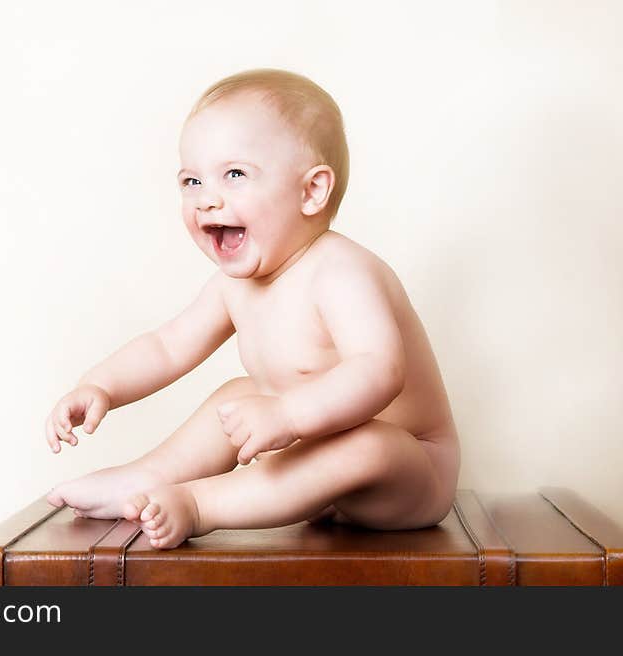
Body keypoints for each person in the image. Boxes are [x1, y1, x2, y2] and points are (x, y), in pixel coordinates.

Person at [44, 68, 460, 549]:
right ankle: (144, 477)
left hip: (408, 472)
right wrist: (100, 385)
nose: (206, 199)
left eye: (235, 174)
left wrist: (287, 414)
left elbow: (379, 370)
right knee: (237, 394)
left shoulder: (341, 272)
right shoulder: (233, 285)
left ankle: (203, 504)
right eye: (191, 180)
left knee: (368, 443)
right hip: (313, 464)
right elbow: (166, 345)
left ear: (311, 191)